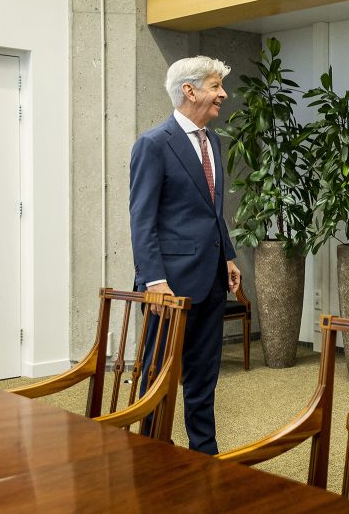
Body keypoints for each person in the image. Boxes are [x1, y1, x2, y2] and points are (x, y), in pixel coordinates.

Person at [129, 55, 241, 454]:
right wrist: (154, 280)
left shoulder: (213, 140)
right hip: (169, 285)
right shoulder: (153, 144)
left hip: (210, 278)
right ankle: (151, 451)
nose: (223, 94)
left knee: (204, 372)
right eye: (215, 86)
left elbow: (213, 211)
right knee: (158, 373)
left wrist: (227, 255)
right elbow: (142, 219)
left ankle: (204, 452)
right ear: (189, 91)